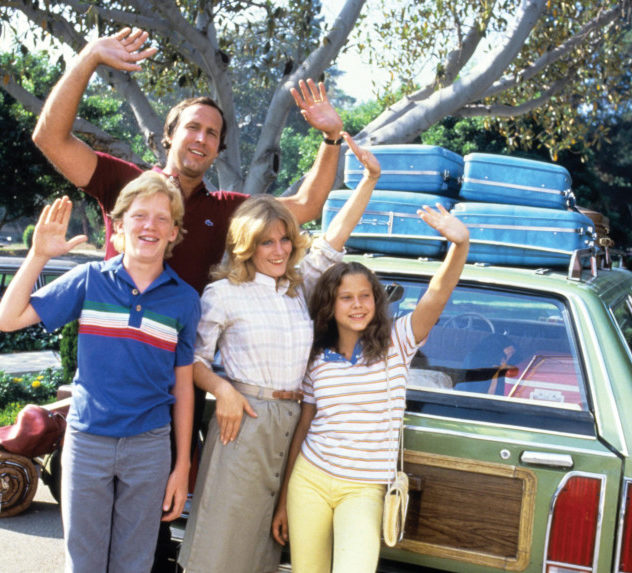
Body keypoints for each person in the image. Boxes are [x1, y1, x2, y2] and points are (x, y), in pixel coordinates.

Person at [178, 133, 380, 573]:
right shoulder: (222, 294)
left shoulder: (299, 285)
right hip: (244, 421)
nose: (279, 250)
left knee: (265, 547)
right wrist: (223, 391)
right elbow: (190, 360)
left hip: (297, 427)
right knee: (223, 540)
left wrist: (369, 180)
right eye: (267, 242)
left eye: (285, 240)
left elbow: (335, 238)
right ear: (246, 244)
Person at [32, 27, 345, 294]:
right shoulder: (125, 182)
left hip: (178, 360)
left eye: (211, 133)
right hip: (113, 348)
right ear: (169, 135)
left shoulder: (225, 209)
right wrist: (89, 56)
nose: (201, 138)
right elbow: (50, 138)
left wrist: (332, 137)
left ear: (218, 149)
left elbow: (307, 204)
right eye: (192, 127)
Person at [0, 171, 200, 573]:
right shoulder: (89, 280)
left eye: (163, 218)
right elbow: (8, 319)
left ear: (175, 232)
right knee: (84, 563)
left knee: (135, 563)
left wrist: (181, 467)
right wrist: (38, 255)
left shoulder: (185, 300)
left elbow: (183, 384)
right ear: (120, 225)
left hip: (150, 447)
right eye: (140, 215)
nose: (151, 225)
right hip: (87, 442)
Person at [271, 206, 470, 573]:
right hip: (309, 480)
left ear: (376, 301)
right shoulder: (317, 356)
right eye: (346, 298)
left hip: (363, 489)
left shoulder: (398, 341)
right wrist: (284, 499)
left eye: (365, 296)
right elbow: (304, 427)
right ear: (330, 306)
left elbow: (438, 293)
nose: (358, 305)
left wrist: (460, 244)